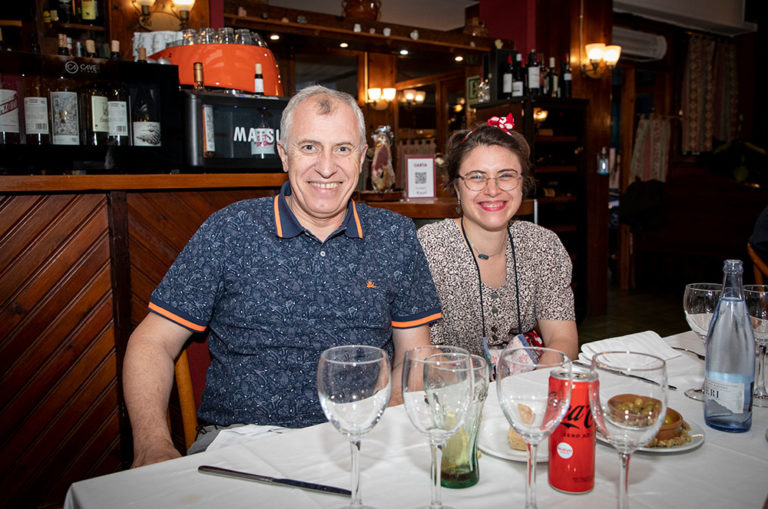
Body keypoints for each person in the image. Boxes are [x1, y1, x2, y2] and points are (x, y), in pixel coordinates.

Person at [123, 85, 442, 467]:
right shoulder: (231, 229)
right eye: (309, 147)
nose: (327, 167)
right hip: (245, 444)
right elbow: (152, 342)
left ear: (361, 158)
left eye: (342, 149)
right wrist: (152, 444)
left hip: (362, 438)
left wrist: (383, 423)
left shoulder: (395, 235)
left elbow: (416, 357)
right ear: (283, 155)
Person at [417, 114, 578, 367]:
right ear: (457, 188)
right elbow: (423, 355)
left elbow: (563, 340)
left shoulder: (543, 246)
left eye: (506, 176)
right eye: (477, 177)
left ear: (522, 183)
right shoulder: (427, 248)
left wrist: (535, 382)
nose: (492, 190)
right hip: (451, 385)